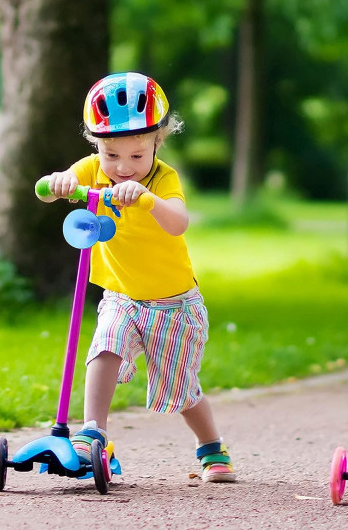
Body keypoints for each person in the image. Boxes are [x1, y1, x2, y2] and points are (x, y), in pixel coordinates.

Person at [38, 72, 236, 483]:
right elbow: (46, 190)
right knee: (103, 349)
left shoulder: (163, 178)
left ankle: (212, 448)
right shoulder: (91, 169)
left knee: (181, 390)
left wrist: (148, 200)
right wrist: (57, 185)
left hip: (175, 305)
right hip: (121, 297)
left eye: (136, 155)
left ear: (157, 144)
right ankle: (94, 435)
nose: (122, 168)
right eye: (111, 155)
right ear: (96, 146)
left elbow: (179, 222)